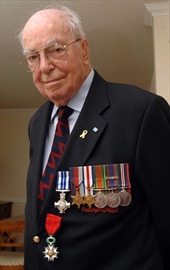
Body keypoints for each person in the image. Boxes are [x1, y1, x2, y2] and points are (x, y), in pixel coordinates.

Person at [18, 3, 170, 270]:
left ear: (84, 50)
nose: (44, 67)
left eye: (55, 50)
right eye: (33, 57)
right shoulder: (37, 122)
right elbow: (39, 216)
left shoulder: (141, 111)